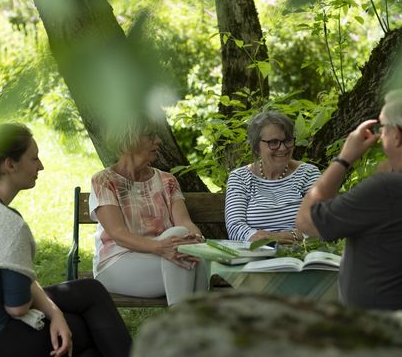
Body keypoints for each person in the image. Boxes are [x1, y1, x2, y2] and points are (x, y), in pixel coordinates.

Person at [0, 123, 132, 357]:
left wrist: (55, 314)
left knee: (90, 291)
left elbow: (21, 278)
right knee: (86, 331)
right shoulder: (9, 224)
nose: (41, 166)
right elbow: (17, 308)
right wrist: (60, 319)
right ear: (10, 164)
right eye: (34, 159)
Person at [296, 90, 402, 310]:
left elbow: (307, 220)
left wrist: (344, 158)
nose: (380, 136)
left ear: (397, 135)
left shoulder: (386, 189)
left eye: (383, 128)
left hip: (378, 329)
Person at [89, 116, 208, 306]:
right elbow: (119, 235)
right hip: (118, 261)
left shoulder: (168, 180)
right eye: (151, 136)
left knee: (190, 251)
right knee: (188, 259)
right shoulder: (104, 181)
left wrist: (197, 240)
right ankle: (192, 328)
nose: (158, 141)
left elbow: (185, 223)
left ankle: (183, 328)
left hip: (165, 257)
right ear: (130, 139)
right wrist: (162, 247)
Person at [225, 111, 321, 243]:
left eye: (287, 141)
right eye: (273, 142)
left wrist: (275, 237)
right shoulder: (240, 178)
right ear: (257, 147)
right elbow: (235, 228)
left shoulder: (308, 174)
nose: (282, 148)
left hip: (301, 255)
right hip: (256, 254)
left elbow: (320, 225)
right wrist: (294, 235)